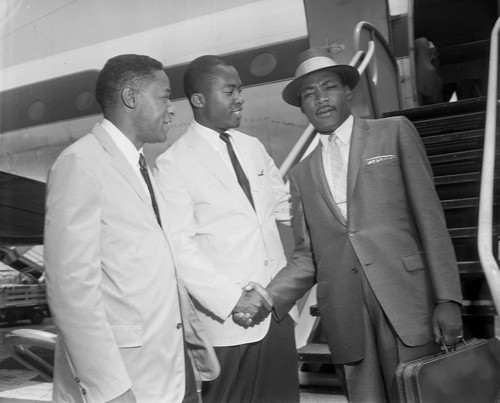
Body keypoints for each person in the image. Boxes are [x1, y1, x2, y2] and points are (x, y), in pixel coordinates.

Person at [248, 47, 464, 402]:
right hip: (347, 315)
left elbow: (431, 220)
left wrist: (448, 298)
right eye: (308, 93)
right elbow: (306, 256)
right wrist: (271, 297)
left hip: (406, 302)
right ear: (301, 106)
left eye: (328, 87)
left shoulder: (393, 132)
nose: (320, 99)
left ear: (347, 90)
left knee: (421, 395)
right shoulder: (302, 174)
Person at [45, 54, 217, 403]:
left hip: (166, 371)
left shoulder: (142, 167)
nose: (172, 109)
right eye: (164, 96)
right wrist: (109, 388)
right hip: (123, 382)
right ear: (130, 97)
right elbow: (71, 291)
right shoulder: (81, 163)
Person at [153, 55, 299, 403]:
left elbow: (285, 209)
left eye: (240, 90)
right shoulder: (172, 164)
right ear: (199, 99)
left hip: (276, 310)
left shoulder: (252, 147)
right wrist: (234, 300)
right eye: (230, 90)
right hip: (230, 323)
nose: (240, 98)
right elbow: (180, 248)